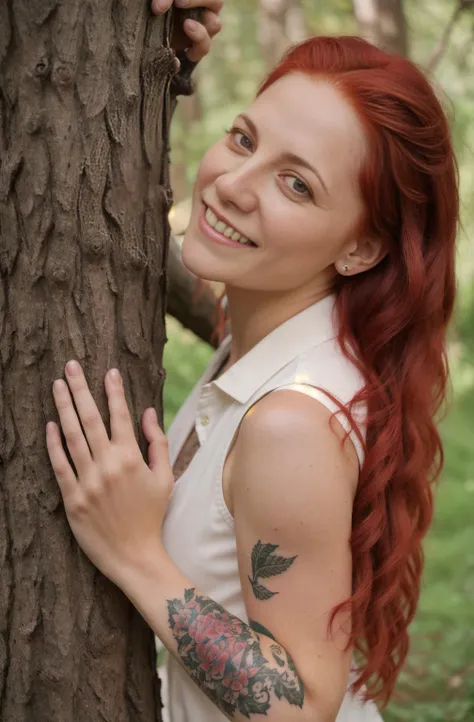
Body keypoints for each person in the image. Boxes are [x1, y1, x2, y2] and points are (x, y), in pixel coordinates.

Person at [45, 13, 459, 722]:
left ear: (360, 249)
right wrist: (159, 65)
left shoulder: (290, 426)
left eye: (296, 184)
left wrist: (138, 553)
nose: (235, 183)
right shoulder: (279, 332)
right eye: (244, 138)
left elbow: (302, 705)